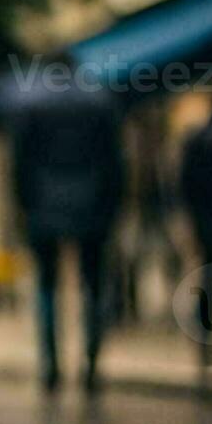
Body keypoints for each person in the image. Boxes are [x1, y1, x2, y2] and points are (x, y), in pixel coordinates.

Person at [10, 81, 125, 393]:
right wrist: (113, 205)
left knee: (47, 286)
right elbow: (115, 161)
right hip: (92, 205)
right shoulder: (100, 102)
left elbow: (19, 164)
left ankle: (51, 364)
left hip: (44, 206)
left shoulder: (31, 105)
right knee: (94, 286)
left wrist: (24, 206)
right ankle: (91, 363)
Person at [180, 93, 212, 383]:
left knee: (209, 280)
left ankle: (205, 344)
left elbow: (187, 185)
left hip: (209, 221)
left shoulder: (199, 138)